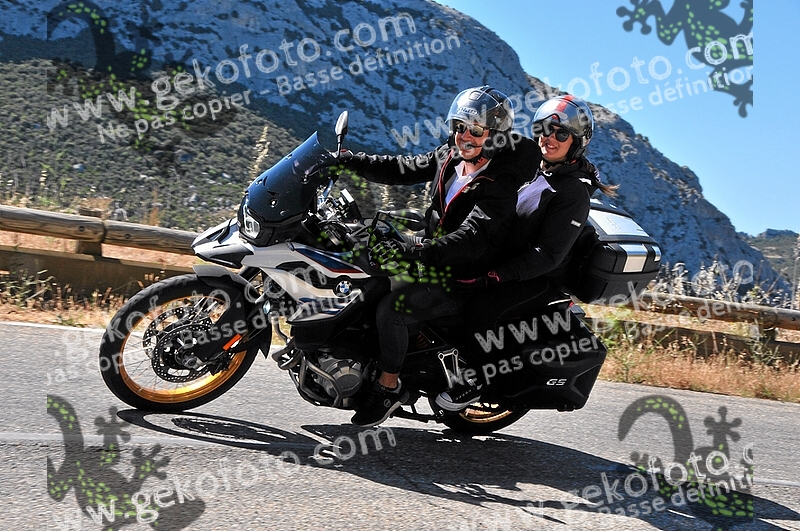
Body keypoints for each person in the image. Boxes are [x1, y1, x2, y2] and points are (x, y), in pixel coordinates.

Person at [342, 86, 542, 426]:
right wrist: (349, 161)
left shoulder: (500, 182)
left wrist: (415, 249)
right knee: (364, 262)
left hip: (462, 274)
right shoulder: (451, 156)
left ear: (495, 136)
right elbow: (403, 168)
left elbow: (472, 239)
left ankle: (389, 388)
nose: (464, 136)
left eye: (475, 130)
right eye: (459, 126)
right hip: (432, 252)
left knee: (393, 310)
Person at [436, 94, 618, 411]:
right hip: (505, 260)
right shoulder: (533, 169)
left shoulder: (573, 191)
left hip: (537, 278)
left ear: (577, 141)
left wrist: (493, 276)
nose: (550, 138)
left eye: (561, 133)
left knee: (482, 309)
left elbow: (547, 255)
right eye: (544, 130)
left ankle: (474, 382)